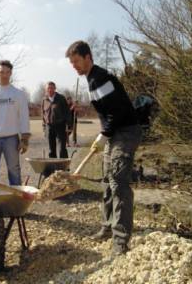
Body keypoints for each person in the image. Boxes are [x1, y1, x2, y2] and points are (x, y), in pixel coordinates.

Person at [66, 40, 142, 255]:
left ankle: (121, 239)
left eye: (77, 62)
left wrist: (104, 134)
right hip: (114, 133)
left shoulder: (101, 78)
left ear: (88, 57)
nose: (75, 66)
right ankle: (108, 226)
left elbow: (116, 112)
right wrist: (106, 134)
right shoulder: (90, 80)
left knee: (118, 181)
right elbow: (107, 111)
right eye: (72, 64)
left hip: (126, 131)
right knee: (107, 181)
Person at [41, 81, 70, 158]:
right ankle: (53, 167)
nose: (50, 90)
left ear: (55, 88)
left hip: (60, 126)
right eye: (48, 88)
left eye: (52, 88)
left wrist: (69, 126)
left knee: (62, 149)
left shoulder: (61, 98)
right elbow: (43, 115)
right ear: (46, 90)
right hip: (49, 127)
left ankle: (64, 168)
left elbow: (67, 112)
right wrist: (44, 127)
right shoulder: (44, 100)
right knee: (51, 150)